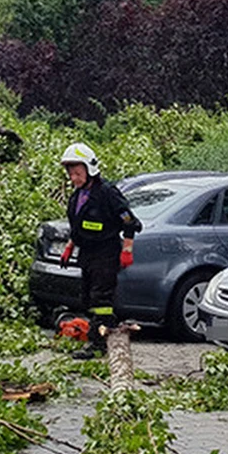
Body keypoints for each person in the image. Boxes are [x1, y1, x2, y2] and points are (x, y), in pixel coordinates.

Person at [58, 142, 142, 360]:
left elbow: (130, 222)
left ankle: (98, 345)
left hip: (106, 254)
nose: (74, 178)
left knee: (101, 301)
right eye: (71, 174)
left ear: (90, 169)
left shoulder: (107, 194)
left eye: (78, 173)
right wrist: (69, 247)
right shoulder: (78, 196)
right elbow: (78, 227)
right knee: (88, 298)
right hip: (87, 254)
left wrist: (127, 249)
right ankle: (106, 334)